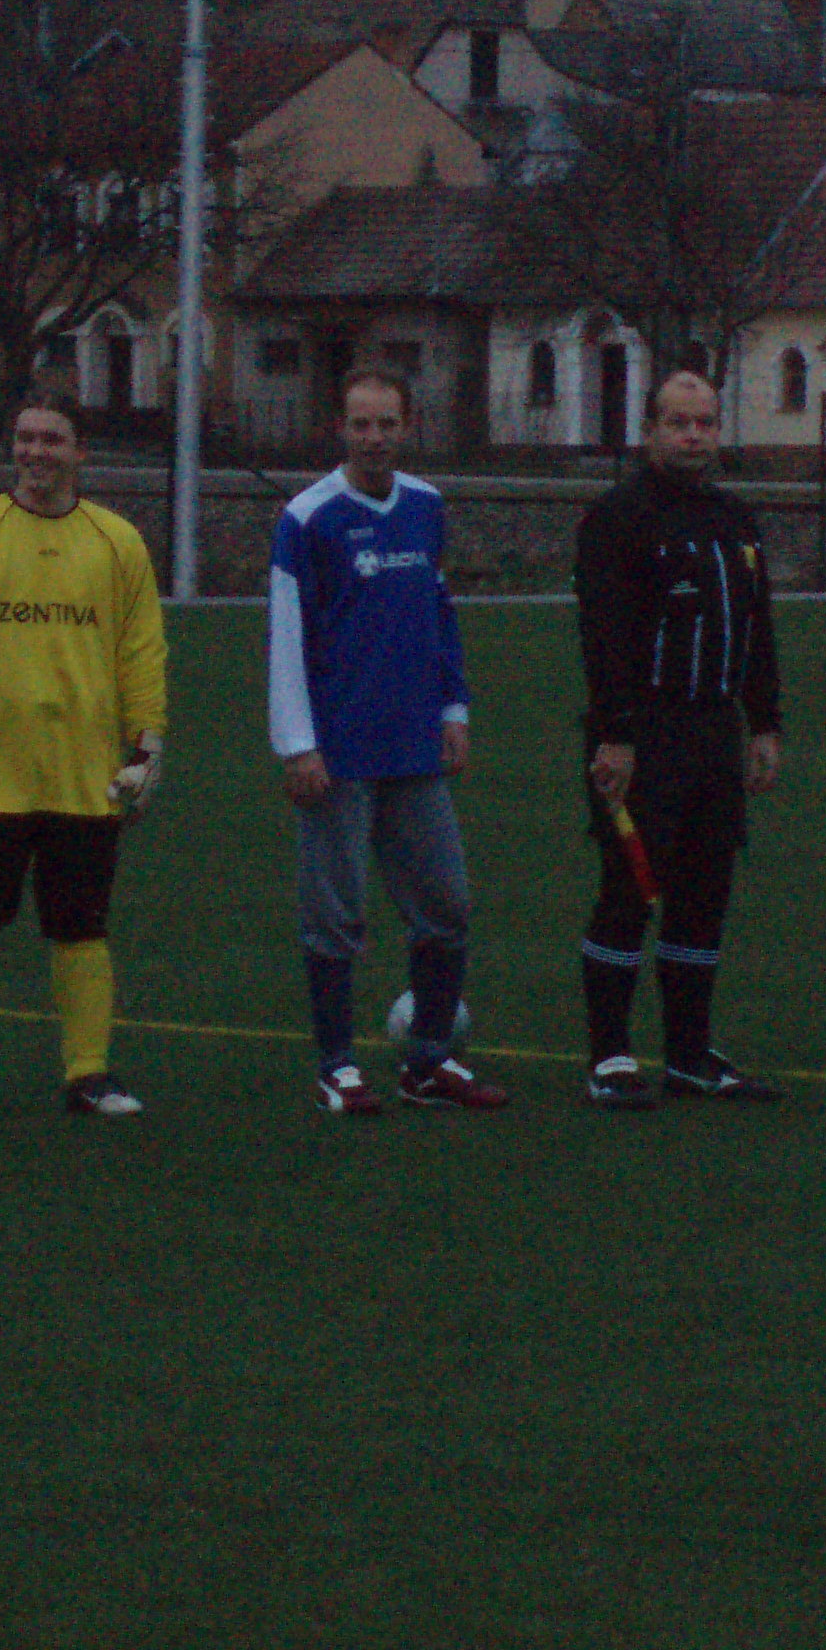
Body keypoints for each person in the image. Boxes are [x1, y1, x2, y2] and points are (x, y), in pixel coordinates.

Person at [0, 392, 167, 1118]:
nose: (35, 453)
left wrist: (147, 747)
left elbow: (142, 650)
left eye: (52, 440)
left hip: (86, 776)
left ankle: (88, 1074)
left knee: (82, 925)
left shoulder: (118, 541)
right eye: (24, 439)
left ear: (80, 451)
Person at [266, 366, 506, 1114]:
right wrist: (297, 744)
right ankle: (336, 1067)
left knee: (447, 904)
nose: (374, 438)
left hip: (414, 746)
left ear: (409, 427)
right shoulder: (307, 517)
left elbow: (440, 612)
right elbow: (286, 635)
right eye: (361, 424)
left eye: (387, 424)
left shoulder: (426, 506)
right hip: (337, 755)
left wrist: (454, 708)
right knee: (335, 917)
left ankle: (428, 1062)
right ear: (340, 427)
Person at [573, 370, 784, 1108]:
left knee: (703, 894)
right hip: (644, 735)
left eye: (705, 423)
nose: (693, 435)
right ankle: (609, 1057)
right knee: (630, 889)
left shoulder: (735, 518)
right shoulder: (618, 518)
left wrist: (764, 722)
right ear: (650, 431)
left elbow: (757, 628)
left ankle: (690, 1055)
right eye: (678, 422)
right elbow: (604, 638)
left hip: (713, 733)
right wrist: (616, 736)